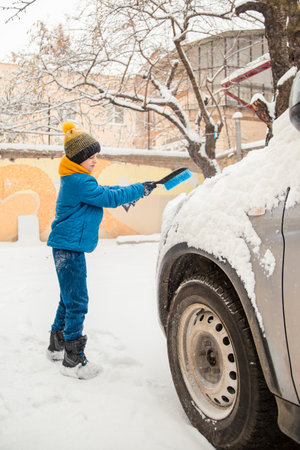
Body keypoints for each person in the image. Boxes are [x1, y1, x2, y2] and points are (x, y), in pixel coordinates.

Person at [46, 121, 156, 380]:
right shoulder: (78, 182)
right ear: (79, 158)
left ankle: (56, 345)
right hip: (69, 249)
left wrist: (134, 190)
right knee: (78, 302)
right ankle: (72, 361)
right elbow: (108, 198)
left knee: (68, 298)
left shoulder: (78, 179)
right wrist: (139, 189)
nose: (95, 160)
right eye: (91, 156)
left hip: (66, 247)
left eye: (96, 156)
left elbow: (105, 191)